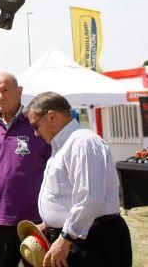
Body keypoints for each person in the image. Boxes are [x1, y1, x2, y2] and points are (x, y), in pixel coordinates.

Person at [24, 92, 132, 267]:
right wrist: (50, 223)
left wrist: (65, 238)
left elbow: (89, 199)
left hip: (92, 239)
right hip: (79, 235)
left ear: (51, 116)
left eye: (36, 126)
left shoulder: (82, 142)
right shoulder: (64, 144)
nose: (35, 133)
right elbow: (67, 195)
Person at [0, 72, 51, 267]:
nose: (0, 96)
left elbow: (55, 170)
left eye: (5, 90)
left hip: (34, 223)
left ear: (19, 92)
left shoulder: (37, 124)